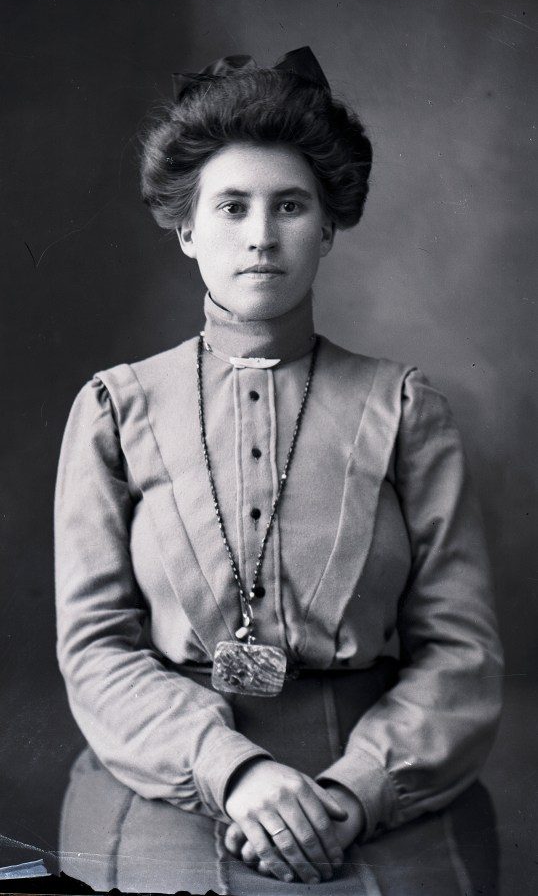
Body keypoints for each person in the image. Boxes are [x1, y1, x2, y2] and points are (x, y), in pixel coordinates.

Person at [55, 48, 503, 894]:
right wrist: (234, 771)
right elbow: (95, 648)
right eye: (231, 206)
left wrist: (352, 794)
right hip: (166, 775)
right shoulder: (116, 409)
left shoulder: (405, 408)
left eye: (290, 205)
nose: (261, 235)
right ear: (187, 230)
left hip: (377, 783)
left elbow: (462, 652)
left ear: (327, 227)